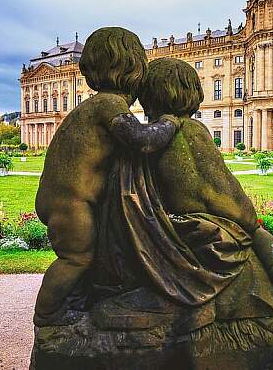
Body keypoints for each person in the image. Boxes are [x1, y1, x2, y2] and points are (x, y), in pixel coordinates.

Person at [33, 28, 179, 326]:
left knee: (87, 255)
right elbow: (142, 140)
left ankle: (76, 302)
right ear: (133, 69)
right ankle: (47, 313)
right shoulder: (108, 103)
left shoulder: (94, 106)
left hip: (65, 199)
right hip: (69, 203)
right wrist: (169, 122)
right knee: (76, 257)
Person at [136, 57, 273, 299]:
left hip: (174, 219)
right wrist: (246, 215)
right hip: (208, 217)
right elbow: (218, 181)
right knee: (256, 230)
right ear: (192, 93)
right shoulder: (195, 130)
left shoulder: (152, 134)